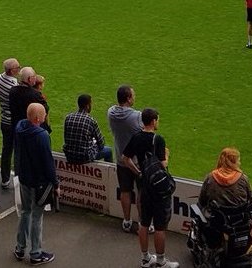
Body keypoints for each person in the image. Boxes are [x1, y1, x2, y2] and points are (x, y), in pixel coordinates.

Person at [124, 108, 179, 268]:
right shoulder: (158, 139)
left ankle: (145, 258)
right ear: (153, 121)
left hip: (144, 185)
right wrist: (167, 156)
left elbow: (125, 158)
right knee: (160, 226)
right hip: (159, 188)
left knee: (144, 222)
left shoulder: (136, 137)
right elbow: (162, 165)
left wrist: (139, 172)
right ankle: (161, 260)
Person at [197, 148, 252, 258]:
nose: (240, 163)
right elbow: (251, 198)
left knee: (199, 211)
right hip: (240, 221)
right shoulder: (243, 178)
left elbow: (202, 200)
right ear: (234, 162)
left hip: (218, 222)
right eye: (239, 160)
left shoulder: (211, 178)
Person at [14, 103, 58, 265]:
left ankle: (20, 247)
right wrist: (55, 183)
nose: (46, 116)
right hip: (38, 181)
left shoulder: (20, 128)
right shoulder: (42, 135)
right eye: (44, 114)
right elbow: (48, 162)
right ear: (38, 118)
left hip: (25, 178)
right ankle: (36, 253)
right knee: (37, 217)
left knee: (25, 212)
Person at [109, 85, 146, 233]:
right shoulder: (136, 116)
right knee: (140, 192)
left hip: (120, 158)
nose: (134, 97)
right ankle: (142, 222)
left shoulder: (111, 112)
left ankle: (126, 220)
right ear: (128, 98)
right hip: (136, 161)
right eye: (133, 95)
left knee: (125, 191)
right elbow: (145, 131)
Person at [0, 59, 23, 187]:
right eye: (18, 67)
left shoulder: (0, 78)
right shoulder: (14, 87)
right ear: (12, 70)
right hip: (12, 121)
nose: (19, 69)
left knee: (6, 150)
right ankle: (18, 180)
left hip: (4, 119)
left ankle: (5, 178)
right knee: (17, 151)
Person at [62, 94, 112, 164]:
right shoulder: (90, 120)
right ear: (87, 106)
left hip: (69, 156)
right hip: (84, 157)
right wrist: (94, 144)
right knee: (108, 151)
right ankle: (110, 174)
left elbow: (66, 138)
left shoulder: (68, 117)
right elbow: (101, 143)